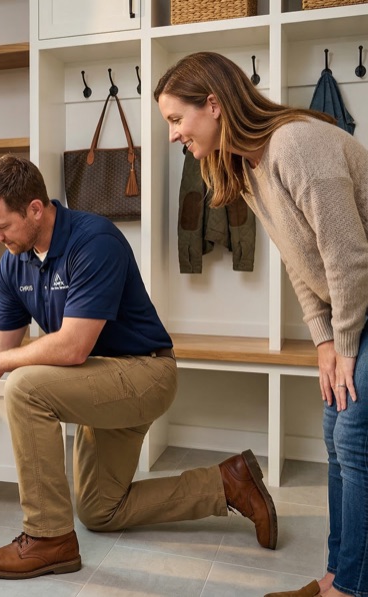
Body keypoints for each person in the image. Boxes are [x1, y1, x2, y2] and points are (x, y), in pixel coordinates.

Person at [0, 154, 278, 580]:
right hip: (96, 381)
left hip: (145, 374)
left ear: (35, 209)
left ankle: (48, 539)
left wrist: (6, 363)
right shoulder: (14, 262)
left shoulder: (94, 240)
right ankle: (228, 483)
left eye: (1, 226)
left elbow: (73, 347)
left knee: (25, 386)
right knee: (101, 510)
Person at [154, 51, 368, 597]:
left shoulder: (296, 144)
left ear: (214, 105)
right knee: (334, 433)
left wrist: (343, 342)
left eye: (177, 120)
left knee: (355, 433)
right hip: (353, 306)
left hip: (362, 295)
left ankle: (352, 588)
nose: (174, 135)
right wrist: (324, 340)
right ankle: (337, 577)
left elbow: (347, 256)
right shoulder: (247, 167)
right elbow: (303, 264)